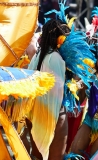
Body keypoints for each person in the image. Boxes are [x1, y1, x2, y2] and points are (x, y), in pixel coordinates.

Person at [26, 19, 70, 160]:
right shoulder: (56, 58)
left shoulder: (39, 56)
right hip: (53, 119)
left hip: (35, 116)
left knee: (36, 157)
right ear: (60, 38)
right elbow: (57, 94)